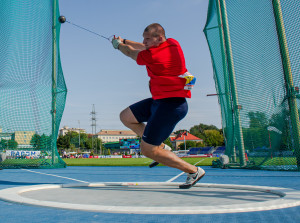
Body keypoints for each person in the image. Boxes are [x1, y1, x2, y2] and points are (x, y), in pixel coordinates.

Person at [111, 23, 205, 189]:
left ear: (159, 38)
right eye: (144, 38)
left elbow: (132, 53)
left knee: (147, 150)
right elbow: (142, 47)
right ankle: (160, 146)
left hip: (170, 106)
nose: (144, 41)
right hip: (159, 101)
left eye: (147, 39)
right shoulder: (173, 43)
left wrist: (119, 46)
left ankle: (193, 171)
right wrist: (124, 40)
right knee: (126, 116)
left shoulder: (151, 56)